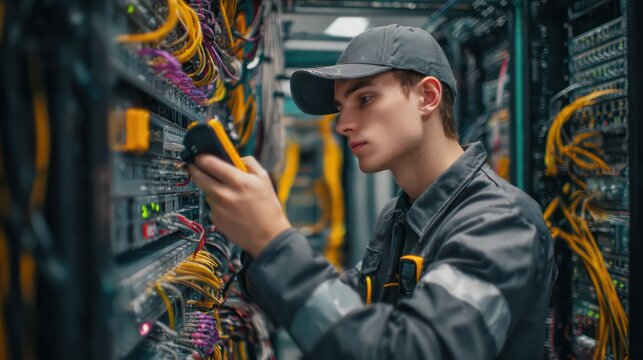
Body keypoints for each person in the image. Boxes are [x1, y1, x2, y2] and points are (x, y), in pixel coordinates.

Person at [188, 24, 557, 359]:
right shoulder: (401, 215)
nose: (343, 125)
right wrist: (259, 248)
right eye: (339, 108)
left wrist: (275, 244)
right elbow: (345, 308)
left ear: (427, 96)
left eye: (363, 99)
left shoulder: (502, 222)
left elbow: (412, 351)